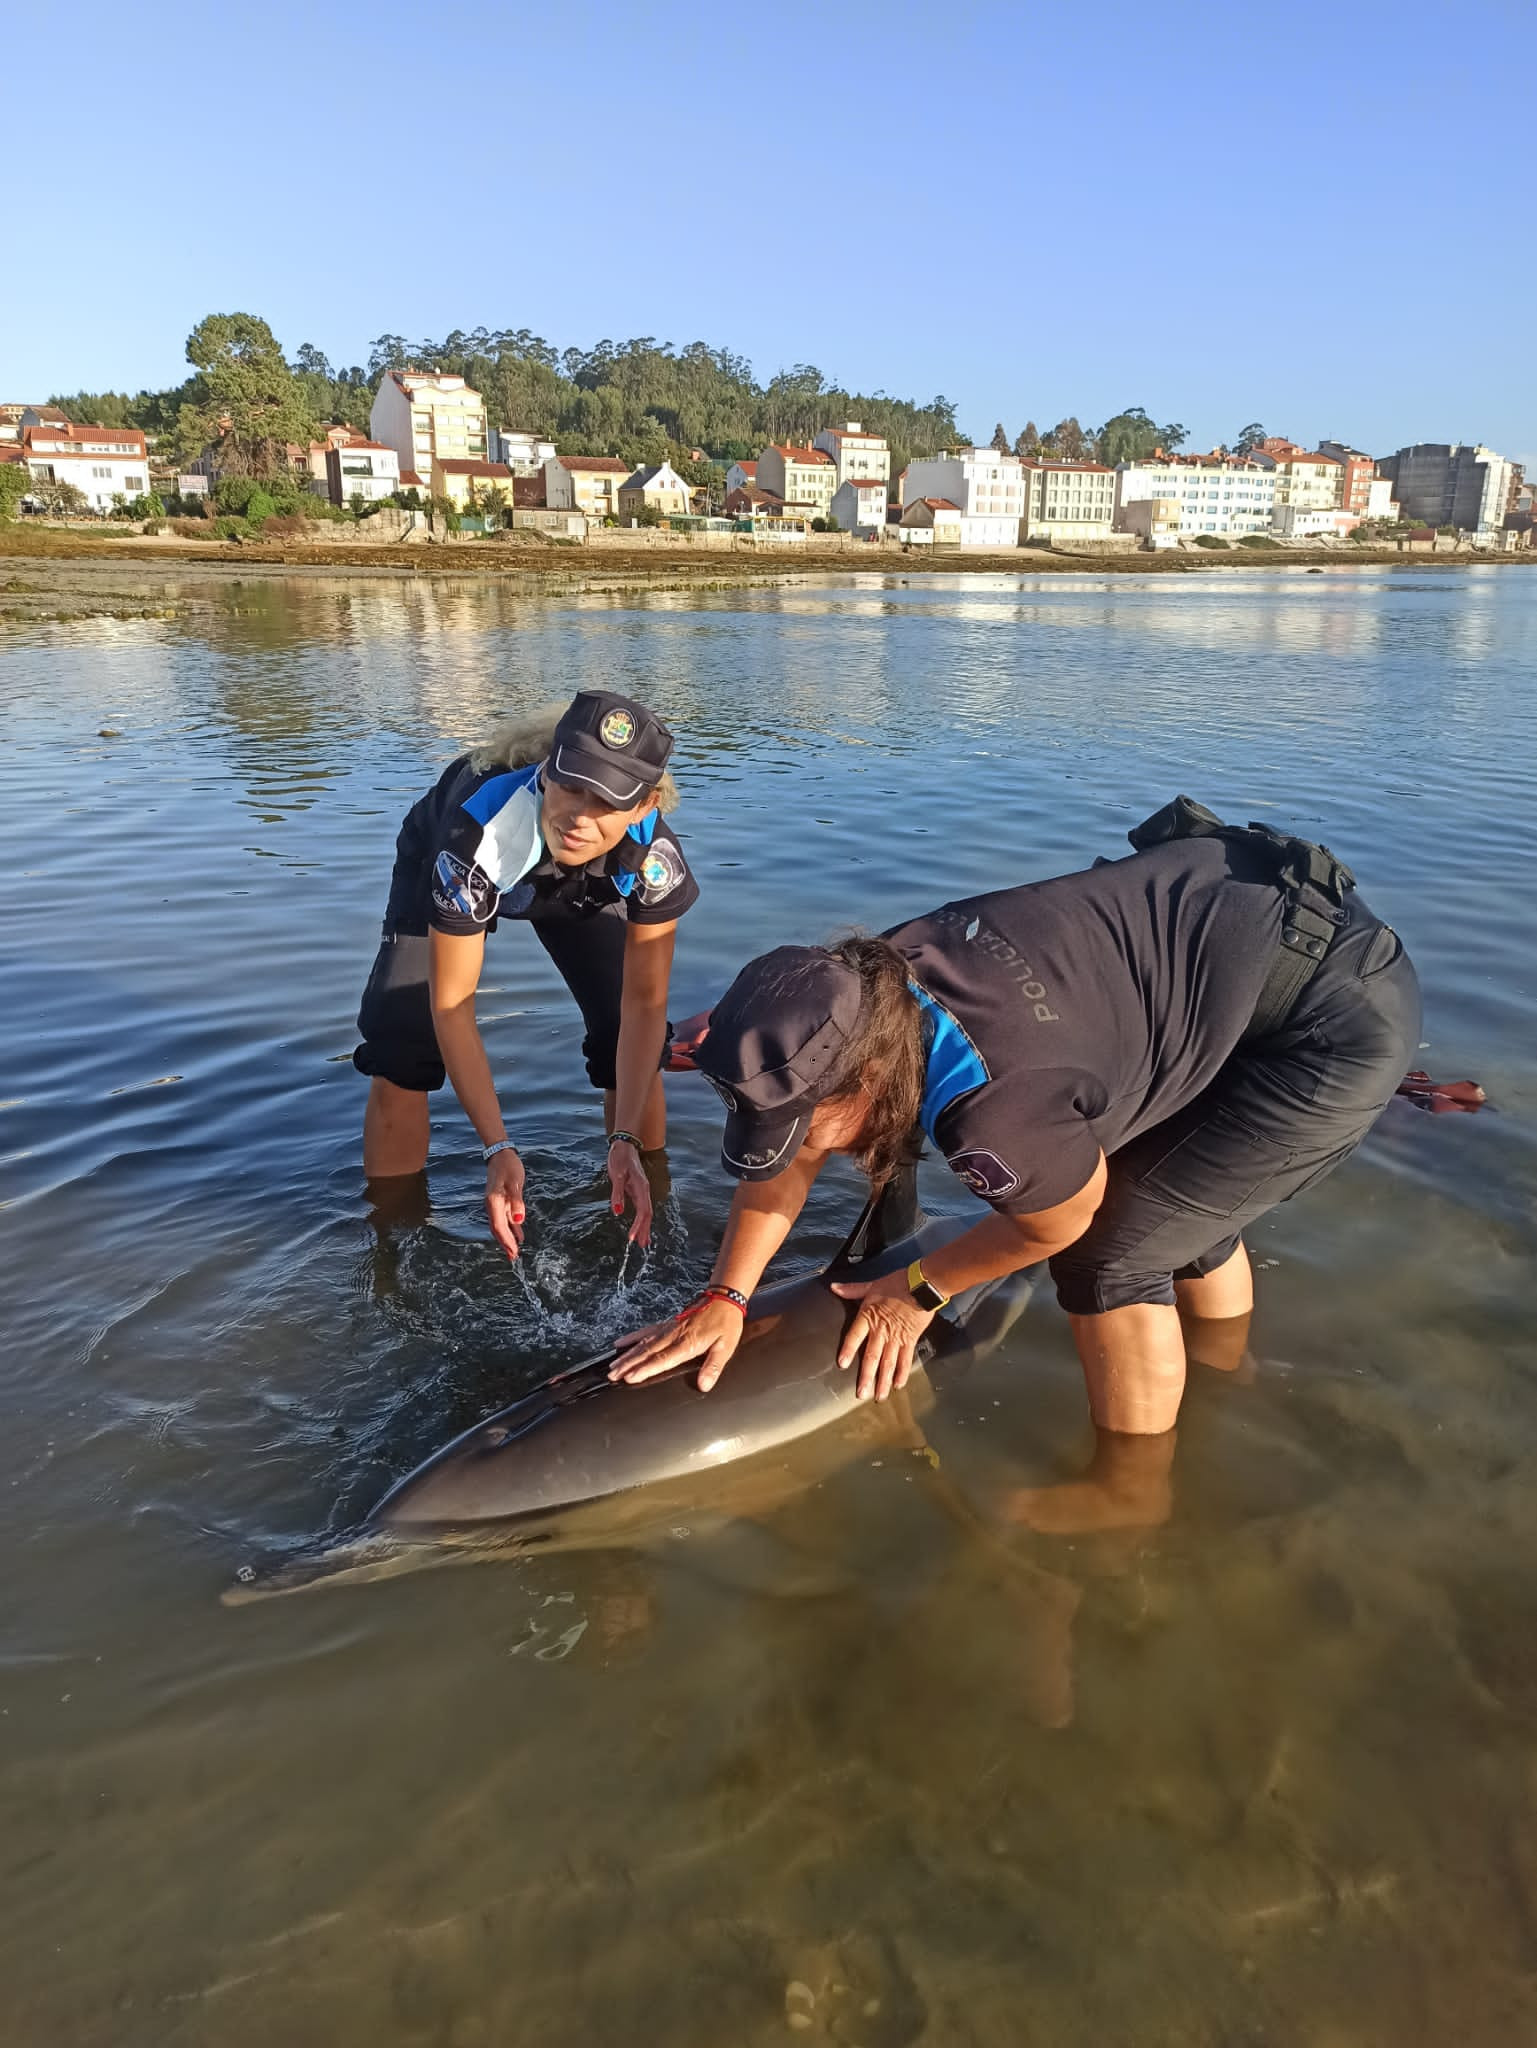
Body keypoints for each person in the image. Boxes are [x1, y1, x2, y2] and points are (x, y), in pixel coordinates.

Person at [611, 799, 1420, 1441]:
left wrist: (918, 1289)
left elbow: (1052, 1227)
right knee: (1179, 1210)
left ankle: (1130, 1502)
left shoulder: (991, 1110)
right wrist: (727, 1293)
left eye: (805, 1126)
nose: (797, 1149)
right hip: (1233, 941)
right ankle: (1223, 1376)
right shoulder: (858, 987)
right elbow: (790, 1150)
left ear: (865, 1078)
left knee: (1112, 1254)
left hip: (1324, 1017)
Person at [355, 689, 698, 1255]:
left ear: (645, 807)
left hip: (584, 885)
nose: (580, 816)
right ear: (547, 770)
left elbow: (644, 1003)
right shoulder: (475, 835)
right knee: (402, 1040)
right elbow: (452, 1005)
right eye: (570, 786)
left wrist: (625, 1135)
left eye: (607, 802)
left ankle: (639, 1210)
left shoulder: (655, 859)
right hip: (453, 862)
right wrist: (497, 1148)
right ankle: (393, 1241)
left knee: (627, 1034)